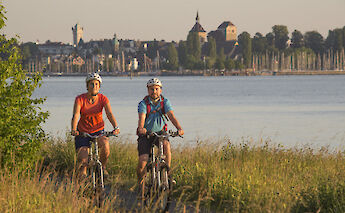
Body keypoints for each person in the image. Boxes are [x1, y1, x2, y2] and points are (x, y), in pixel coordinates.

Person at [136, 78, 184, 190]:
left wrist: (179, 128)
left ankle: (167, 174)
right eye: (151, 89)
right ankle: (141, 185)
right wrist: (141, 128)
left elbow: (171, 116)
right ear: (148, 90)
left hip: (160, 132)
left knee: (166, 146)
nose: (154, 91)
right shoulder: (143, 103)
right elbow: (141, 117)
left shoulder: (164, 102)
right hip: (146, 134)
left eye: (156, 89)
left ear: (160, 90)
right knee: (142, 162)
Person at [71, 72, 120, 179]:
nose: (94, 86)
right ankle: (81, 188)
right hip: (83, 132)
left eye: (97, 84)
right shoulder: (80, 99)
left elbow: (109, 113)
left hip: (98, 130)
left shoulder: (103, 99)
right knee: (83, 163)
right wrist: (74, 129)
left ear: (99, 86)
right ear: (87, 86)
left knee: (105, 146)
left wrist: (115, 127)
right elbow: (76, 115)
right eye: (91, 84)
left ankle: (103, 167)